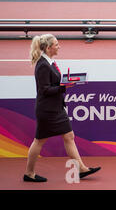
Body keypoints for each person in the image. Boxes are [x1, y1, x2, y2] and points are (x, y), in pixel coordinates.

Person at [24, 34, 100, 182]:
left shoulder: (50, 63)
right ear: (48, 47)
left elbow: (54, 84)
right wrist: (63, 86)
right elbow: (44, 90)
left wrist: (65, 82)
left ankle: (81, 169)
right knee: (39, 141)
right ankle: (29, 173)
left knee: (69, 136)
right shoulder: (42, 65)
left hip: (56, 108)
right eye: (57, 44)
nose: (59, 46)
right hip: (47, 110)